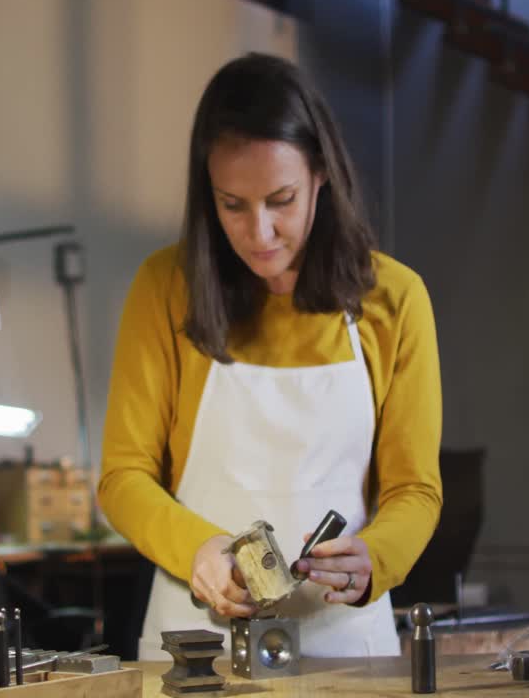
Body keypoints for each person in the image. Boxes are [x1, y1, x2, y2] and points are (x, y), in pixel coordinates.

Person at [97, 53, 442, 660]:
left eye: (280, 199)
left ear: (322, 176)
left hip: (348, 648)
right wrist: (199, 551)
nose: (259, 233)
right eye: (233, 205)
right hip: (196, 644)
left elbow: (415, 489)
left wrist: (375, 557)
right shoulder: (165, 287)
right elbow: (123, 477)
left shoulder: (395, 299)